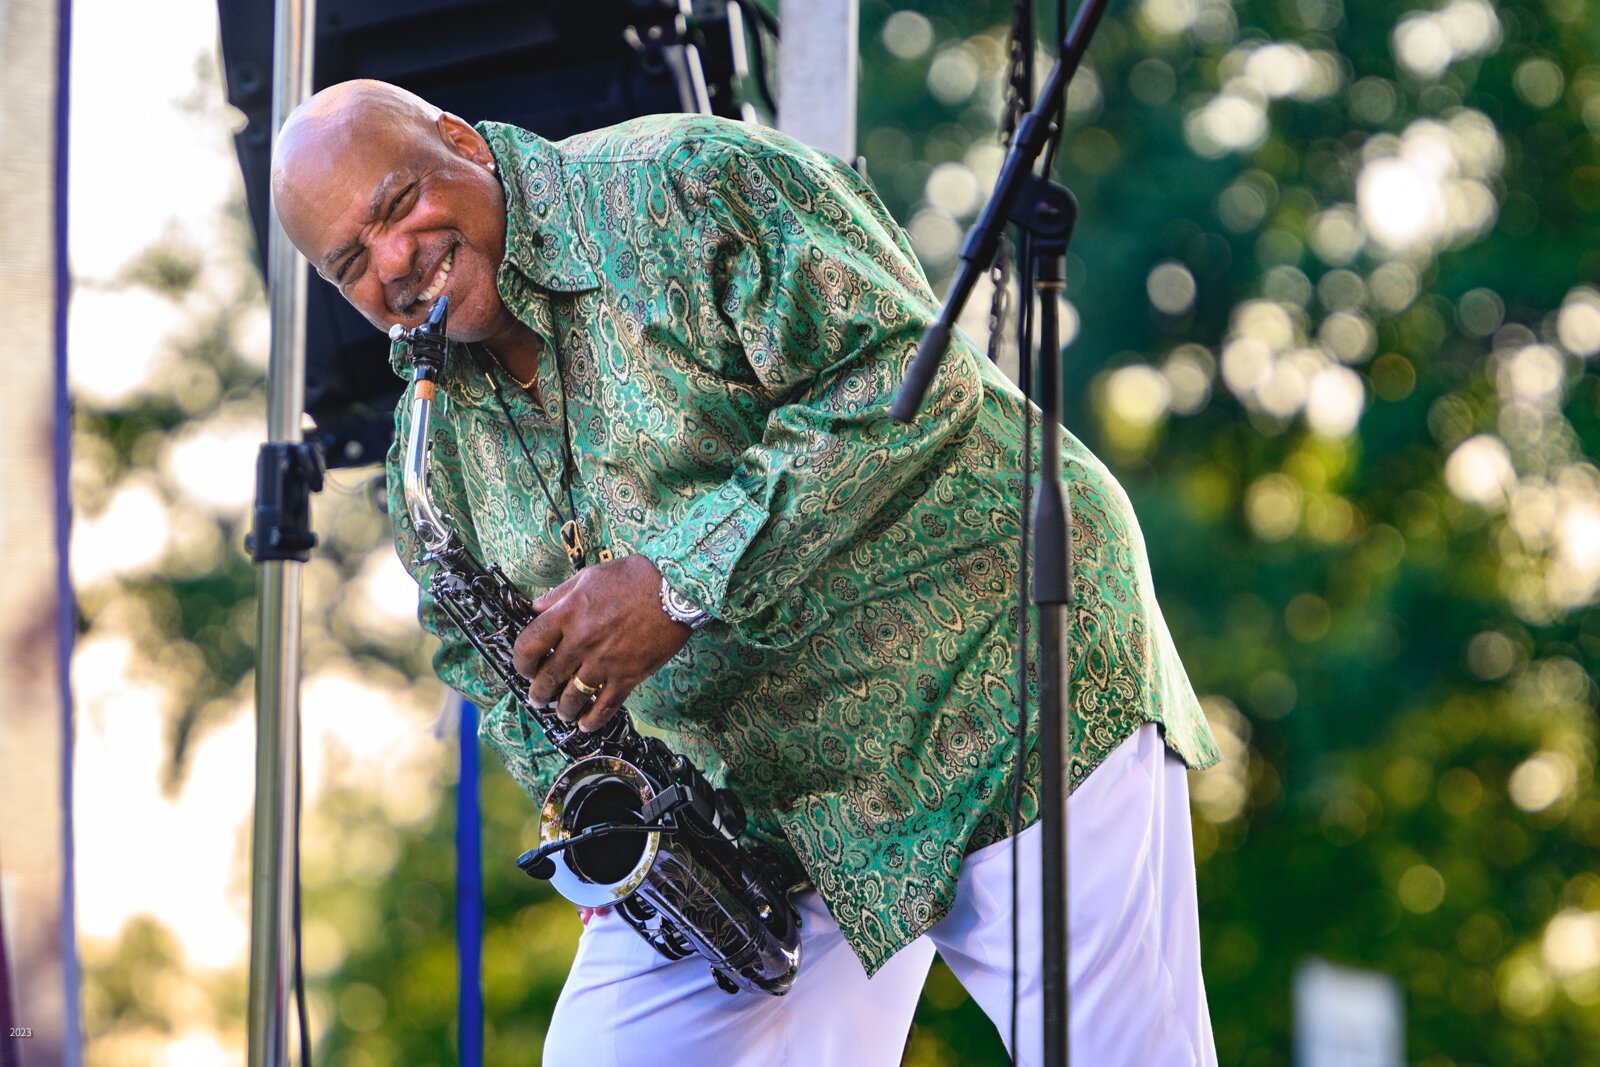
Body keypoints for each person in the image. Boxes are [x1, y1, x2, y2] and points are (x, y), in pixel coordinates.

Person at [272, 78, 1222, 1066]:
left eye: (396, 207)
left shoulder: (687, 181)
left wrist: (675, 581)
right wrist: (602, 815)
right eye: (350, 263)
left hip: (997, 683)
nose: (393, 262)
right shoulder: (428, 444)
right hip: (757, 814)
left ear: (463, 143)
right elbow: (484, 661)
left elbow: (902, 380)